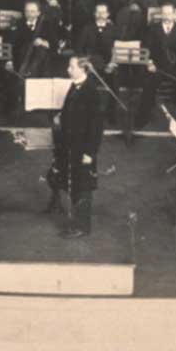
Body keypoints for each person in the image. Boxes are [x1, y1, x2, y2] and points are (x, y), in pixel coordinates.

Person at [51, 55, 104, 238]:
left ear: (83, 69)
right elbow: (69, 110)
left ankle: (81, 227)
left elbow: (96, 127)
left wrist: (90, 153)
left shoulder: (91, 92)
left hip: (83, 149)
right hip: (71, 145)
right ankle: (73, 220)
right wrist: (61, 117)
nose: (68, 70)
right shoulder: (74, 86)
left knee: (82, 187)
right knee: (71, 182)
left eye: (71, 67)